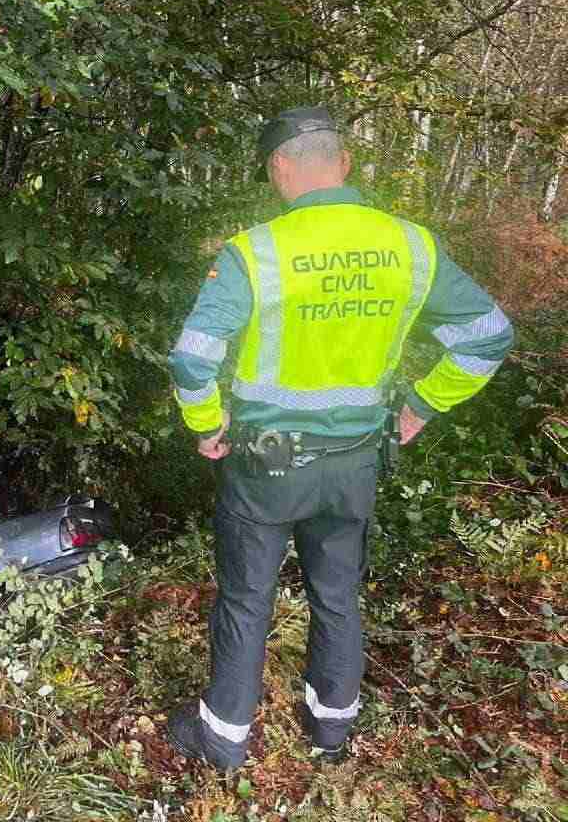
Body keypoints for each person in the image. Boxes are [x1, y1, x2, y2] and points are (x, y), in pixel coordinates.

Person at [163, 106, 514, 770]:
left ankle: (224, 737)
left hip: (267, 471)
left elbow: (192, 357)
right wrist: (419, 408)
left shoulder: (257, 251)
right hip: (355, 463)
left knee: (246, 597)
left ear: (278, 169)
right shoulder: (411, 246)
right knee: (336, 594)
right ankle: (331, 732)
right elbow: (489, 336)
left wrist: (206, 423)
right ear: (345, 162)